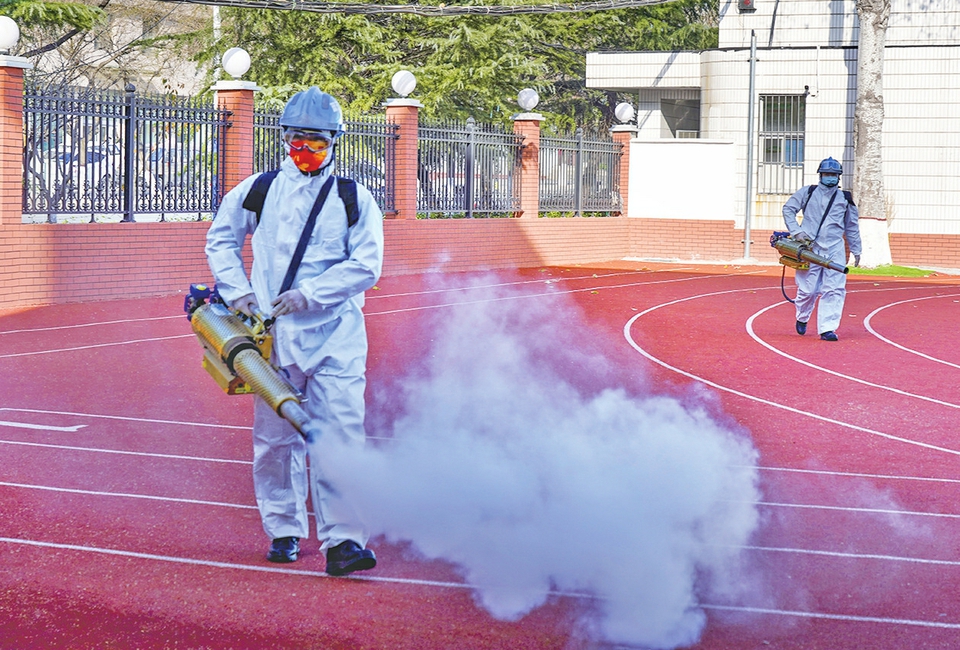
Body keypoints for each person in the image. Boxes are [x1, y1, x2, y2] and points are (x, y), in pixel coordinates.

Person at [205, 87, 384, 575]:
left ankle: (344, 541)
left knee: (340, 435)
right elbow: (220, 239)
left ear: (334, 142)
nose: (305, 151)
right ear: (284, 139)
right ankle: (283, 527)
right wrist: (239, 293)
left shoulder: (353, 198)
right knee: (276, 440)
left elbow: (366, 265)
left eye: (317, 143)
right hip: (275, 339)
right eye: (297, 142)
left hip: (335, 336)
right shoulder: (259, 190)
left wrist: (311, 294)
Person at [782, 157, 861, 342]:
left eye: (834, 174)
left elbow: (852, 226)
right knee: (808, 290)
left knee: (834, 289)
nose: (830, 177)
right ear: (820, 175)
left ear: (839, 177)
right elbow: (788, 209)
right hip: (809, 248)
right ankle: (802, 316)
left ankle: (827, 328)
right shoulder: (808, 192)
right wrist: (796, 232)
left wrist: (857, 249)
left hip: (834, 249)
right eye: (827, 174)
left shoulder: (845, 198)